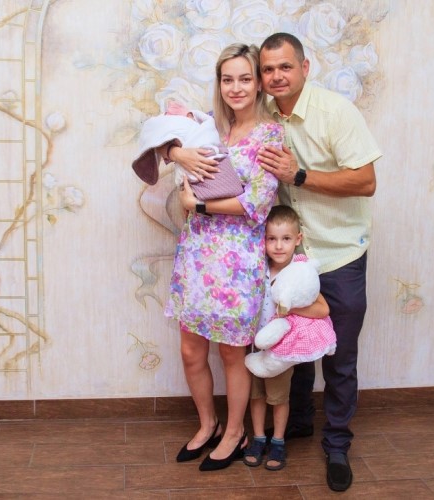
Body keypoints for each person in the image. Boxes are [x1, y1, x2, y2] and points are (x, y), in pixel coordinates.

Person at [256, 32, 383, 492]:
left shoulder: (335, 112)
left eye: (285, 66)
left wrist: (299, 175)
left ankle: (338, 445)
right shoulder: (263, 115)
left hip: (340, 252)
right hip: (293, 257)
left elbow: (366, 181)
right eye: (268, 69)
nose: (276, 76)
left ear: (305, 68)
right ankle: (299, 422)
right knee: (292, 342)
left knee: (340, 356)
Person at [156, 43, 283, 472]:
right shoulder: (208, 126)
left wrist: (199, 205)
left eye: (245, 78)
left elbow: (257, 203)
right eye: (228, 79)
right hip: (195, 257)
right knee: (191, 351)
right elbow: (158, 139)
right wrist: (177, 153)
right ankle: (207, 424)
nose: (236, 87)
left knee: (231, 353)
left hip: (237, 261)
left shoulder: (270, 135)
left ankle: (234, 432)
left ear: (259, 83)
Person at [243, 205, 332, 472]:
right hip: (253, 345)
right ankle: (259, 438)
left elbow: (322, 309)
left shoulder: (299, 274)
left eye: (286, 239)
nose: (278, 246)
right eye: (271, 238)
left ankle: (278, 442)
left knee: (279, 397)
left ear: (298, 239)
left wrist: (289, 308)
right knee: (256, 395)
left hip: (280, 351)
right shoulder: (258, 267)